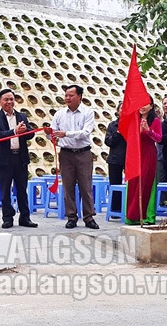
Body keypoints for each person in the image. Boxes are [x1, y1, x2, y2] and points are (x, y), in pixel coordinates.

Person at [50, 85, 98, 229]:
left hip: (83, 153)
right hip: (66, 154)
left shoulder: (88, 112)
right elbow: (53, 132)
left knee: (86, 186)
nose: (67, 98)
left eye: (71, 95)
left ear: (79, 96)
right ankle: (71, 217)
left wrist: (66, 134)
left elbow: (85, 132)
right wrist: (50, 135)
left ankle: (89, 217)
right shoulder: (59, 114)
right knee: (68, 186)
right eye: (66, 95)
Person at [0, 89, 37, 229]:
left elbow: (30, 134)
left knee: (22, 188)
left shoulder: (22, 116)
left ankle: (25, 217)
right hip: (4, 159)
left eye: (12, 99)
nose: (9, 102)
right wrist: (14, 132)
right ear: (0, 101)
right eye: (6, 99)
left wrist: (25, 131)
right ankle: (7, 218)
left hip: (20, 157)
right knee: (5, 190)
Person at [125, 96, 162, 225]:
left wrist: (148, 131)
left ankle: (147, 216)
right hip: (135, 154)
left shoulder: (155, 121)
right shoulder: (133, 120)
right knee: (134, 182)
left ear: (151, 106)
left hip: (149, 154)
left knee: (147, 182)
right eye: (141, 103)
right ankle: (132, 215)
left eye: (146, 104)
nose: (143, 106)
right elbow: (128, 137)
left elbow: (159, 138)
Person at [104, 102, 126, 215]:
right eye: (121, 108)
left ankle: (127, 208)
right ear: (117, 111)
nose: (124, 110)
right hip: (115, 159)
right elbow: (108, 141)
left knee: (131, 185)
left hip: (129, 159)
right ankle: (115, 209)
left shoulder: (134, 124)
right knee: (115, 185)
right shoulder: (113, 125)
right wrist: (118, 133)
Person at [156, 96, 167, 204]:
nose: (166, 105)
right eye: (165, 103)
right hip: (160, 155)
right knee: (161, 180)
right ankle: (162, 203)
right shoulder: (158, 119)